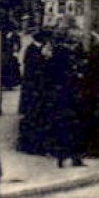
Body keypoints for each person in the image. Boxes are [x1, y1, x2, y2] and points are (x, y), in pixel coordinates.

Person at [46, 40, 86, 168]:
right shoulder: (68, 73)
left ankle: (61, 158)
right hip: (69, 104)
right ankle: (75, 158)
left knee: (62, 131)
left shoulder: (52, 68)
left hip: (59, 105)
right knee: (74, 131)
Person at [17, 33, 51, 155]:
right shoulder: (35, 51)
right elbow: (37, 68)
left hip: (30, 85)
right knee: (34, 112)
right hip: (34, 87)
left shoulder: (31, 49)